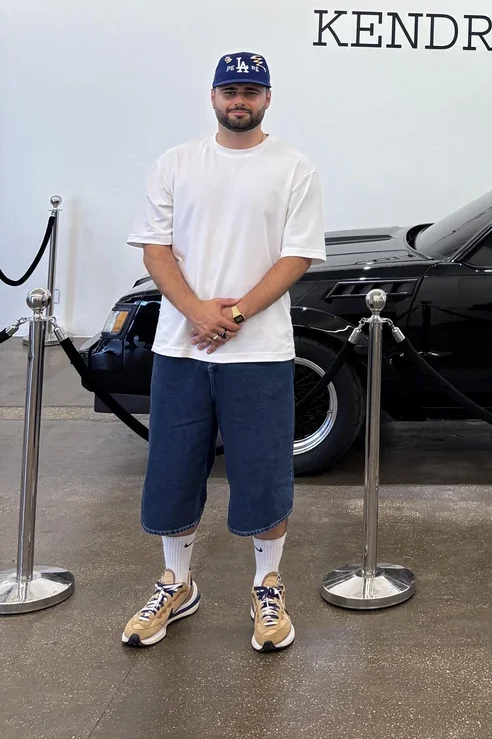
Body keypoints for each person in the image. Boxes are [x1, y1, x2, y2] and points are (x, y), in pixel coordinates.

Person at [122, 52, 325, 652]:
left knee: (263, 473)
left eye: (251, 91)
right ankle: (176, 584)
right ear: (213, 96)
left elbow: (296, 256)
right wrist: (196, 311)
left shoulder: (293, 168)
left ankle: (268, 586)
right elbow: (155, 248)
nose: (240, 100)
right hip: (181, 349)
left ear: (268, 98)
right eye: (230, 90)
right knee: (173, 468)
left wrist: (234, 314)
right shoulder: (176, 163)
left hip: (259, 350)